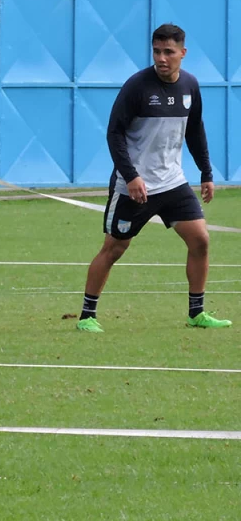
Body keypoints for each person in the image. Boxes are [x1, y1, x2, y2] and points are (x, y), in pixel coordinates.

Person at [76, 23, 230, 332]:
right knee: (114, 249)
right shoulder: (137, 86)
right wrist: (131, 177)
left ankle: (196, 313)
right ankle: (87, 316)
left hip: (173, 182)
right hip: (135, 186)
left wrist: (206, 172)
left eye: (168, 52)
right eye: (157, 51)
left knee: (200, 240)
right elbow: (114, 133)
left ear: (182, 53)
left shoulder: (190, 86)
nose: (161, 58)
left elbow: (195, 130)